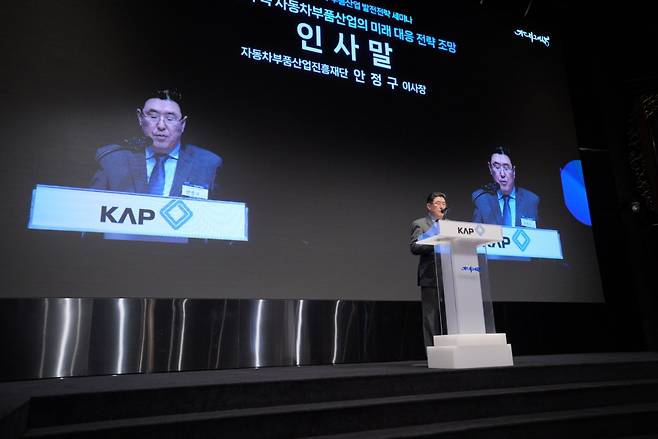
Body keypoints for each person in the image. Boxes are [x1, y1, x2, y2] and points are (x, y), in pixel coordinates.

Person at [90, 89, 223, 199]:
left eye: (170, 118)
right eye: (153, 117)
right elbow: (91, 209)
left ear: (183, 124)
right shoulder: (112, 158)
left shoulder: (207, 164)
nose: (161, 126)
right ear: (140, 118)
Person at [410, 192, 448, 348]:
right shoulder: (420, 224)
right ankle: (433, 352)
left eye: (444, 203)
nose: (441, 206)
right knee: (431, 317)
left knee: (449, 315)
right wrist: (434, 241)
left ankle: (448, 349)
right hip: (431, 276)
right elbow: (415, 246)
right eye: (438, 203)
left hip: (451, 276)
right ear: (429, 206)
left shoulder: (451, 225)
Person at [472, 146, 539, 228]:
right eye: (497, 167)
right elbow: (475, 233)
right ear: (490, 168)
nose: (502, 174)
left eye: (506, 168)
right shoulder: (481, 199)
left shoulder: (531, 200)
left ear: (513, 171)